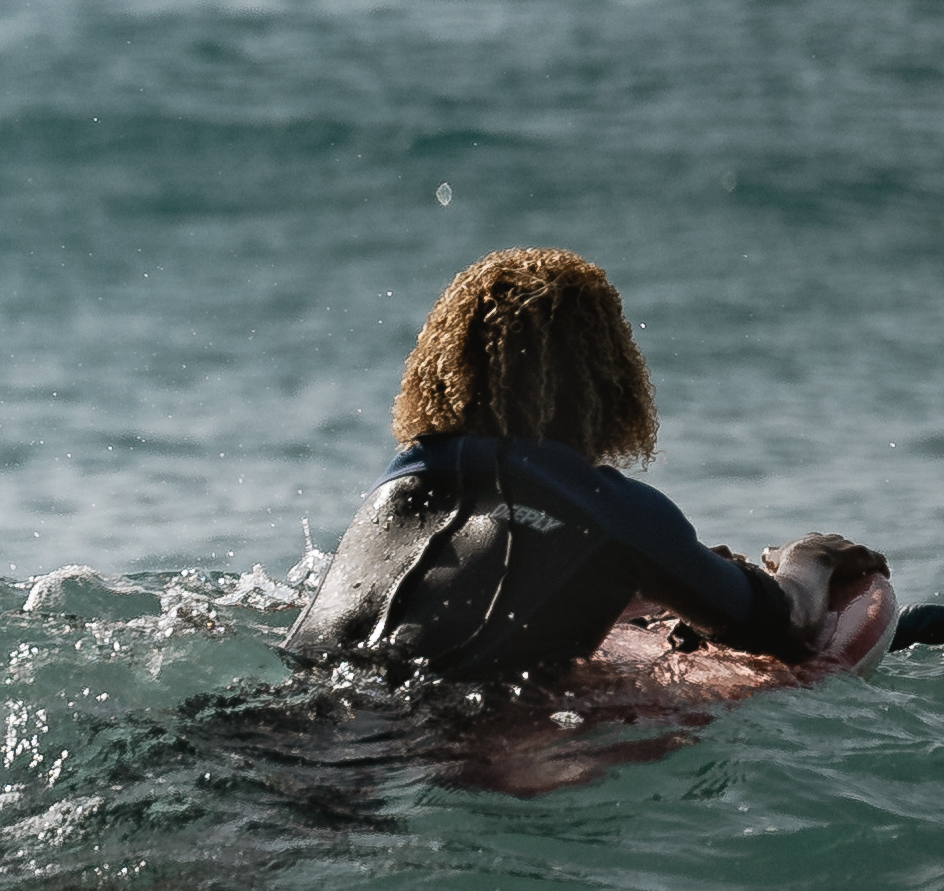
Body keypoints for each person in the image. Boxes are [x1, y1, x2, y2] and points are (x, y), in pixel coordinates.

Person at [293, 245, 887, 683]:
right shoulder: (613, 512)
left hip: (284, 711)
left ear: (446, 368)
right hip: (415, 740)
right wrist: (811, 556)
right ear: (606, 380)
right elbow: (785, 626)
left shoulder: (403, 476)